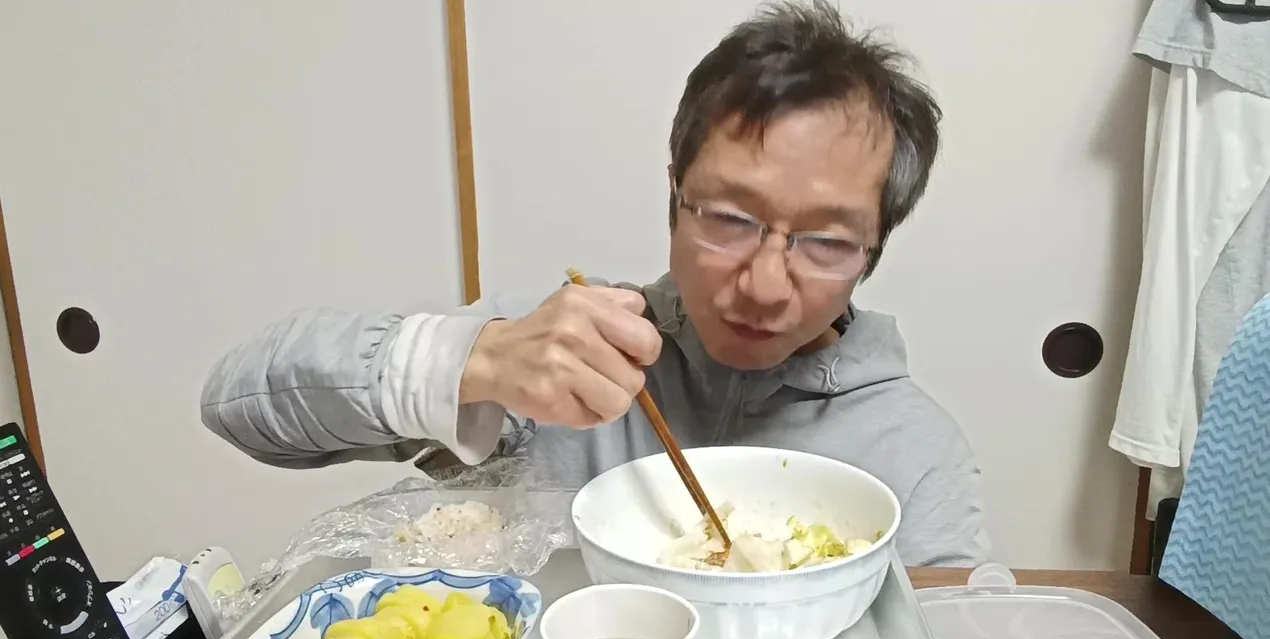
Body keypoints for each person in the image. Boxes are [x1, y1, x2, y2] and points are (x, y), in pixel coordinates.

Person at [200, 0, 989, 568]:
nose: (763, 285)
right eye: (728, 217)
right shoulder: (564, 351)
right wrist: (477, 360)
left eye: (825, 242)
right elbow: (240, 407)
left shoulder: (914, 453)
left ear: (873, 249)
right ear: (674, 194)